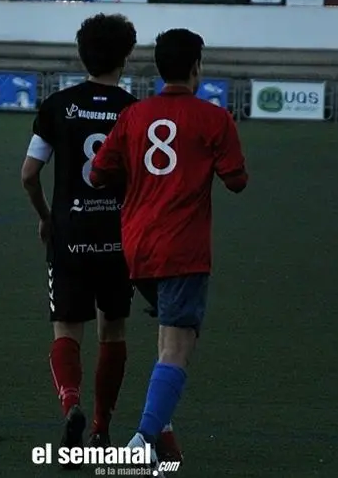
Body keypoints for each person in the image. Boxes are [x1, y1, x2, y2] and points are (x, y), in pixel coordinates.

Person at [89, 28, 249, 473]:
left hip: (137, 248)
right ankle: (142, 440)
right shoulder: (214, 118)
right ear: (197, 67)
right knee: (179, 347)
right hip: (183, 250)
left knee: (168, 342)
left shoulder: (134, 115)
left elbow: (99, 173)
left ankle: (162, 436)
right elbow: (237, 180)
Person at [20, 13, 142, 469]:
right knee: (113, 330)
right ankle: (101, 429)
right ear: (125, 57)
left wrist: (46, 217)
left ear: (82, 54)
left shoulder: (58, 106)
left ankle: (71, 403)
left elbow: (29, 174)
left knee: (66, 330)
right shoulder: (134, 111)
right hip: (117, 237)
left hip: (70, 235)